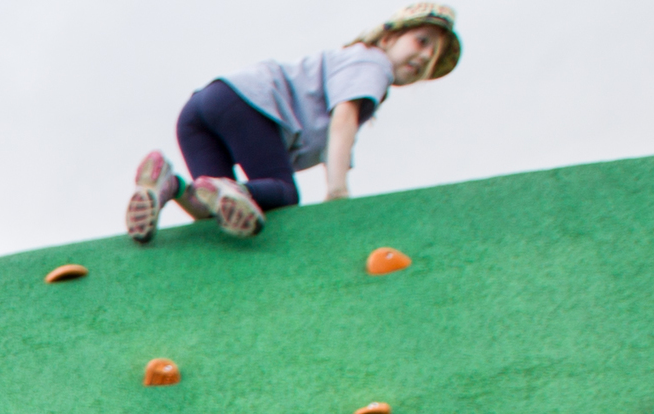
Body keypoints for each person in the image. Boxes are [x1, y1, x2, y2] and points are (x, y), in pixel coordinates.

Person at [126, 4, 460, 242]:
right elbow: (342, 121)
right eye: (422, 41)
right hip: (247, 101)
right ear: (388, 38)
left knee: (211, 208)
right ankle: (230, 188)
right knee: (282, 192)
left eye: (431, 59)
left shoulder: (352, 66)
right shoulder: (373, 64)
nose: (423, 57)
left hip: (201, 108)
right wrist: (337, 190)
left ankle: (168, 184)